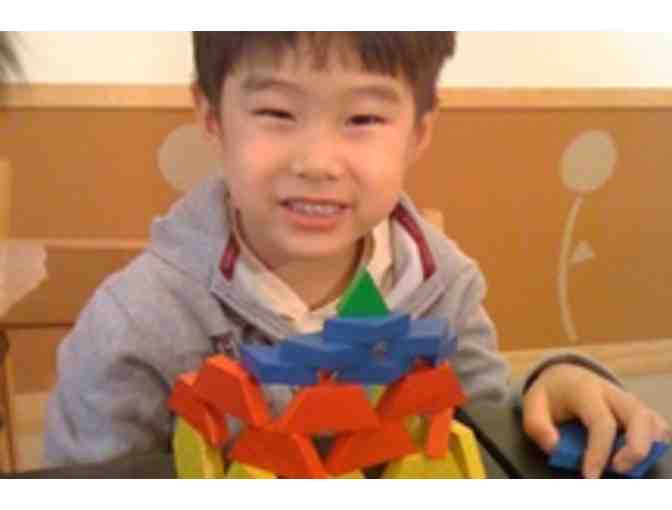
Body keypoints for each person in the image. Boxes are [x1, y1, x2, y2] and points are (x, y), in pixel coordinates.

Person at [44, 32, 669, 477]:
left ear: (419, 132)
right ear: (211, 117)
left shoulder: (445, 287)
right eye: (277, 112)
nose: (317, 162)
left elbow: (476, 430)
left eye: (364, 118)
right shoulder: (137, 321)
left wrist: (552, 383)